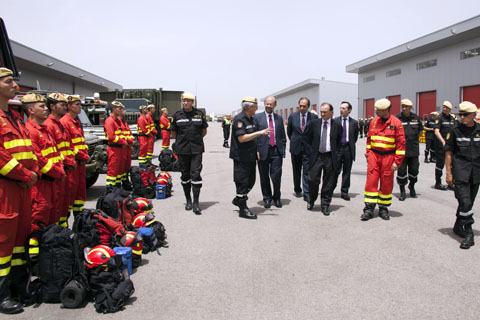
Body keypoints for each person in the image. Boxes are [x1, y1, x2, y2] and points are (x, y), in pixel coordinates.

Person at [0, 68, 39, 314]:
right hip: (6, 188)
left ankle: (19, 285)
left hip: (22, 187)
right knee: (3, 243)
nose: (15, 84)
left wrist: (32, 172)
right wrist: (26, 175)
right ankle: (2, 294)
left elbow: (28, 149)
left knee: (18, 241)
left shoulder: (13, 116)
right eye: (9, 81)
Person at [23, 94, 66, 230]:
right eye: (41, 106)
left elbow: (56, 153)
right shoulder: (30, 131)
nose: (46, 109)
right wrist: (58, 171)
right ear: (30, 110)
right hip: (42, 184)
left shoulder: (44, 130)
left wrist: (60, 169)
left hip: (53, 181)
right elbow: (39, 159)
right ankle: (36, 250)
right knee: (39, 219)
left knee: (52, 216)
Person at [361, 99, 405, 221]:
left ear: (385, 110)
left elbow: (401, 144)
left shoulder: (396, 123)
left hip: (389, 157)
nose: (375, 112)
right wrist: (368, 154)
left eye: (378, 110)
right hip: (374, 156)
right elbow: (369, 139)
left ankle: (383, 208)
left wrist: (397, 161)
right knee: (371, 182)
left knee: (386, 183)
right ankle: (369, 209)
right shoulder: (374, 122)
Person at [445, 101, 480, 249]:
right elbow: (448, 152)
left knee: (469, 202)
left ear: (474, 115)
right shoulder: (455, 130)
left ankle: (458, 225)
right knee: (465, 202)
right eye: (461, 114)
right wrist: (448, 173)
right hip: (461, 171)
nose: (462, 117)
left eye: (465, 115)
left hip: (476, 171)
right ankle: (469, 233)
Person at [230, 97, 271, 219]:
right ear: (249, 107)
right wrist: (259, 133)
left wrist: (257, 150)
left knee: (251, 181)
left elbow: (253, 138)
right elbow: (241, 138)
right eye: (255, 106)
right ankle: (243, 209)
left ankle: (239, 199)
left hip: (251, 156)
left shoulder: (251, 119)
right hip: (241, 157)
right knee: (242, 182)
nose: (257, 108)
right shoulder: (240, 119)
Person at [171, 93, 208, 215]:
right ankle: (188, 200)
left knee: (196, 174)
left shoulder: (199, 114)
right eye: (184, 100)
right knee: (185, 175)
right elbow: (174, 133)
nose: (185, 102)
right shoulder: (177, 115)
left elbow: (204, 131)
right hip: (182, 150)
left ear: (192, 102)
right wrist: (180, 143)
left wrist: (195, 140)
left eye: (188, 101)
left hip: (196, 149)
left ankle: (196, 203)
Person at [44, 93, 77, 227]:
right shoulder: (49, 125)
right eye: (62, 105)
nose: (65, 107)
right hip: (58, 171)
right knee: (57, 207)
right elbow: (54, 152)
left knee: (64, 206)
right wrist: (69, 162)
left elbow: (67, 146)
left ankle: (63, 233)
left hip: (65, 170)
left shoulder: (59, 124)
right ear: (52, 106)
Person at [306, 102, 342, 215]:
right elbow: (306, 140)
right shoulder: (313, 123)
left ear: (331, 112)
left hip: (330, 157)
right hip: (316, 156)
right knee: (313, 180)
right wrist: (310, 153)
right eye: (321, 112)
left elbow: (340, 143)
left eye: (325, 112)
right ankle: (311, 200)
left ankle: (325, 204)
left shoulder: (337, 125)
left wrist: (337, 156)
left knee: (328, 183)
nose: (322, 114)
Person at [254, 96, 286, 208]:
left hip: (276, 151)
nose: (268, 106)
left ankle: (277, 198)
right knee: (264, 176)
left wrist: (283, 150)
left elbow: (282, 135)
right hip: (262, 151)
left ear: (275, 105)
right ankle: (267, 198)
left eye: (271, 104)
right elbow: (254, 136)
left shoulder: (279, 118)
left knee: (276, 176)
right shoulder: (257, 117)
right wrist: (256, 150)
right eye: (267, 104)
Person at [61, 95, 90, 215]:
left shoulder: (76, 122)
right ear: (69, 106)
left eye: (80, 104)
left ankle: (78, 219)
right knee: (70, 194)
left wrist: (85, 155)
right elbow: (68, 146)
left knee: (79, 194)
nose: (80, 107)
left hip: (80, 164)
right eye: (77, 105)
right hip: (72, 164)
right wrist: (83, 156)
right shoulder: (65, 122)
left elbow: (81, 143)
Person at [287, 97, 318, 202]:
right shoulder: (292, 116)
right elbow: (289, 132)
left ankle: (306, 192)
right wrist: (295, 141)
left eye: (304, 106)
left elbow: (315, 133)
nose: (302, 108)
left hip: (308, 149)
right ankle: (297, 189)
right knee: (296, 171)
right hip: (295, 148)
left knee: (306, 171)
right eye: (300, 106)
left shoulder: (314, 117)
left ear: (308, 107)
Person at [396, 99, 423, 201]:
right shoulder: (397, 118)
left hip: (413, 150)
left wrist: (415, 140)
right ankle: (402, 190)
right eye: (403, 106)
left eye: (406, 106)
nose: (404, 108)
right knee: (401, 172)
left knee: (414, 170)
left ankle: (412, 186)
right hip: (401, 150)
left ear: (410, 107)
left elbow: (420, 130)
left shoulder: (415, 118)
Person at [334, 101, 359, 201]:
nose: (341, 110)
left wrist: (349, 145)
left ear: (349, 110)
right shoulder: (335, 121)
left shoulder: (354, 123)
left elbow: (355, 137)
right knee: (335, 170)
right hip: (338, 148)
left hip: (348, 149)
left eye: (344, 108)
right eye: (340, 108)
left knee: (347, 172)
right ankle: (331, 188)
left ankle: (344, 192)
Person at [104, 101, 128, 191]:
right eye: (119, 108)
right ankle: (110, 189)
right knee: (113, 171)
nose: (121, 110)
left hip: (119, 148)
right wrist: (123, 141)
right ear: (113, 109)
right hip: (114, 149)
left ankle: (117, 188)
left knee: (118, 170)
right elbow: (111, 136)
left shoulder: (117, 121)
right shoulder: (110, 121)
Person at [434, 101, 456, 190]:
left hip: (451, 145)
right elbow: (436, 131)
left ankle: (451, 183)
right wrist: (443, 141)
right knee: (440, 164)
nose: (444, 108)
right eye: (443, 106)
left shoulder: (452, 118)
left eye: (446, 107)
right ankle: (438, 183)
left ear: (449, 109)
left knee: (452, 164)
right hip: (441, 144)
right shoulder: (439, 118)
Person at [120, 107, 134, 190]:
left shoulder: (124, 122)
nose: (125, 111)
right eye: (123, 109)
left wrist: (131, 141)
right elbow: (115, 136)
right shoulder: (115, 122)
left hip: (126, 147)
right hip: (121, 147)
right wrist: (128, 141)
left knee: (126, 167)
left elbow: (129, 133)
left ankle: (126, 183)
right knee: (119, 169)